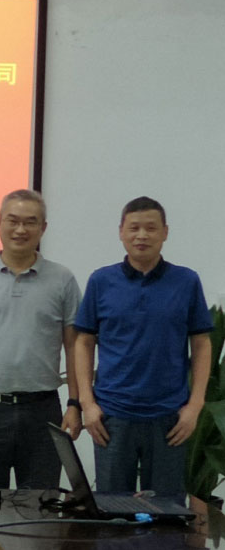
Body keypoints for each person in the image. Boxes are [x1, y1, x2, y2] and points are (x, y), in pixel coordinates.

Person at [75, 196, 212, 496]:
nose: (142, 235)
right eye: (134, 228)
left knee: (167, 511)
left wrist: (195, 406)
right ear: (121, 232)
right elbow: (84, 341)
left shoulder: (186, 281)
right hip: (112, 416)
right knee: (112, 511)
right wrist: (88, 403)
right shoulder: (101, 280)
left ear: (165, 232)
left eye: (151, 228)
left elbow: (201, 343)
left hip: (169, 417)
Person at [0, 189, 82, 489]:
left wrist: (75, 404)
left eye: (30, 222)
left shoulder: (62, 279)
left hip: (43, 410)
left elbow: (74, 346)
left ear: (43, 228)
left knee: (41, 504)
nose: (20, 230)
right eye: (13, 221)